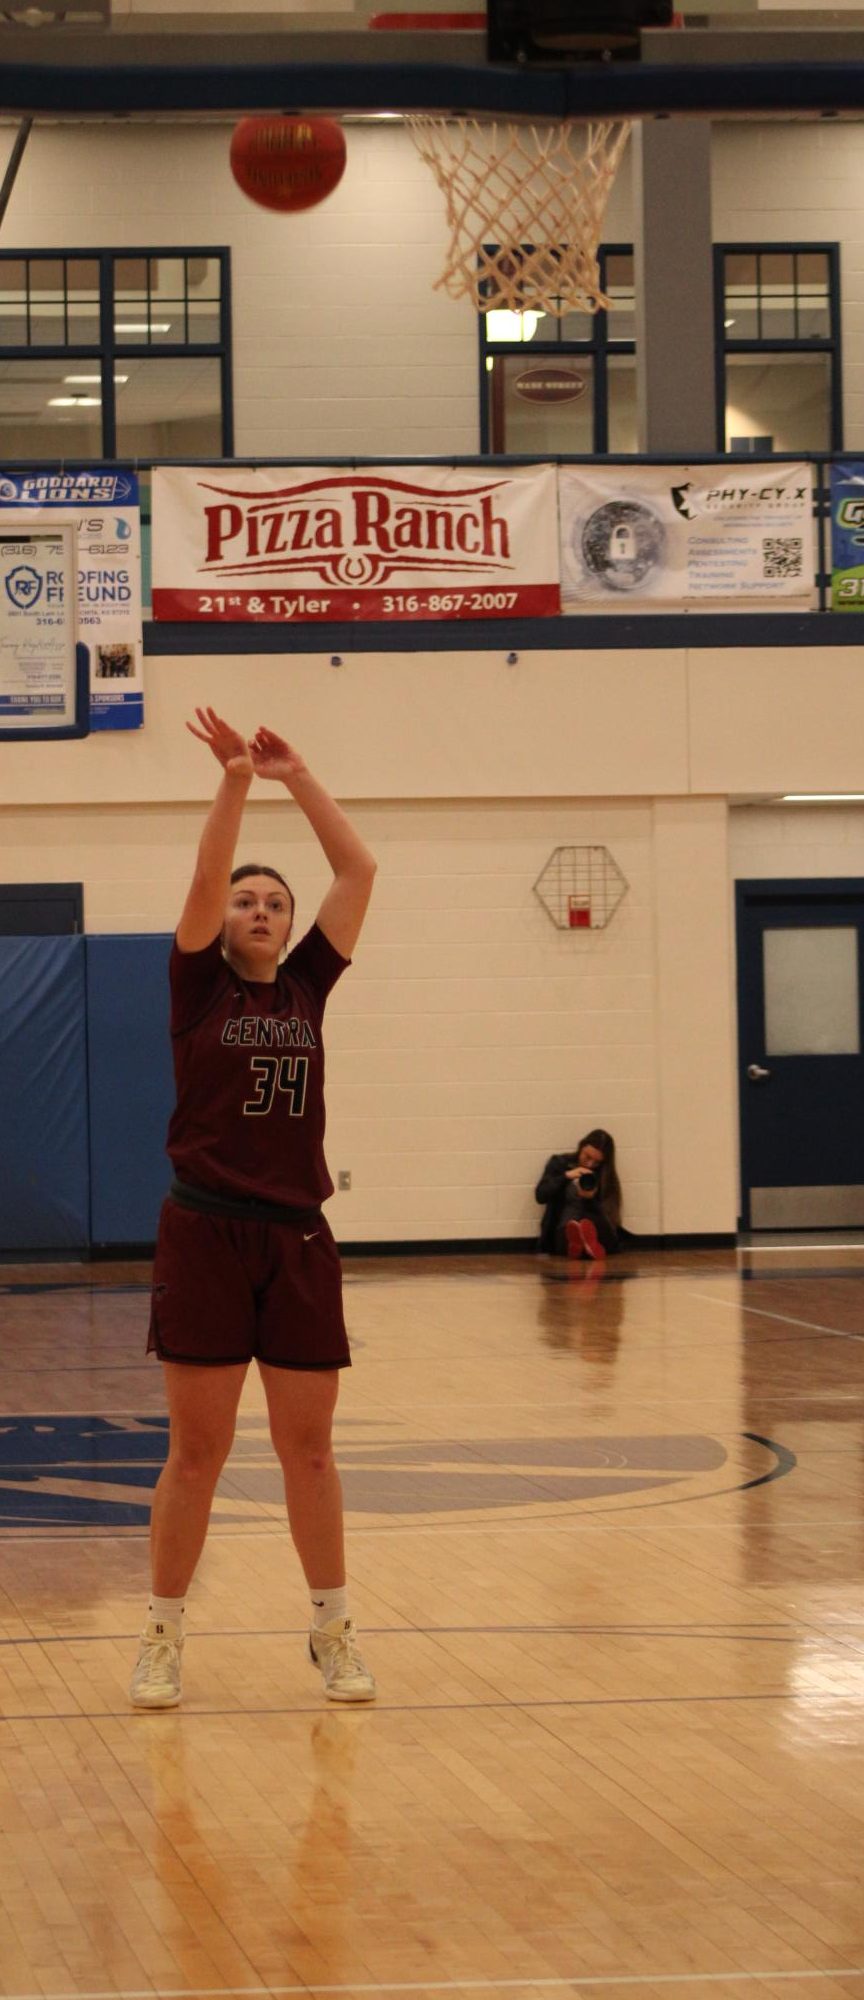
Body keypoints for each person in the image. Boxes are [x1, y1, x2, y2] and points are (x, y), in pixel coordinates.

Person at [130, 707, 377, 1710]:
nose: (265, 908)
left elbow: (357, 873)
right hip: (204, 1231)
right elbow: (201, 880)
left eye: (276, 899)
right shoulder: (196, 986)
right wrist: (235, 779)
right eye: (249, 899)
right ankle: (162, 1635)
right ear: (223, 921)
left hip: (298, 1235)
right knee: (198, 1450)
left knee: (308, 1448)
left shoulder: (308, 987)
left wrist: (298, 773)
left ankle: (333, 1627)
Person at [535, 1128, 622, 1261]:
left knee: (592, 1226)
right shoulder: (560, 1163)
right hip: (564, 1226)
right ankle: (584, 1245)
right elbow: (540, 1195)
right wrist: (566, 1176)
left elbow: (608, 1216)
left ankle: (585, 1244)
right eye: (587, 1157)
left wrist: (591, 1199)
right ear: (581, 1147)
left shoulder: (603, 1175)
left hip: (595, 1224)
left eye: (597, 1162)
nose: (590, 1164)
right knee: (572, 1230)